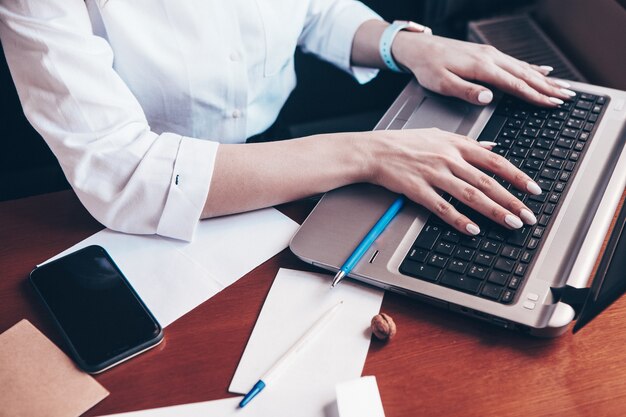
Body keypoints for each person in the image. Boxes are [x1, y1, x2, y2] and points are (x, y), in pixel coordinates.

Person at [0, 1, 574, 241]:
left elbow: (314, 10)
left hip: (280, 165)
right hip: (97, 210)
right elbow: (124, 175)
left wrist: (405, 46)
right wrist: (370, 154)